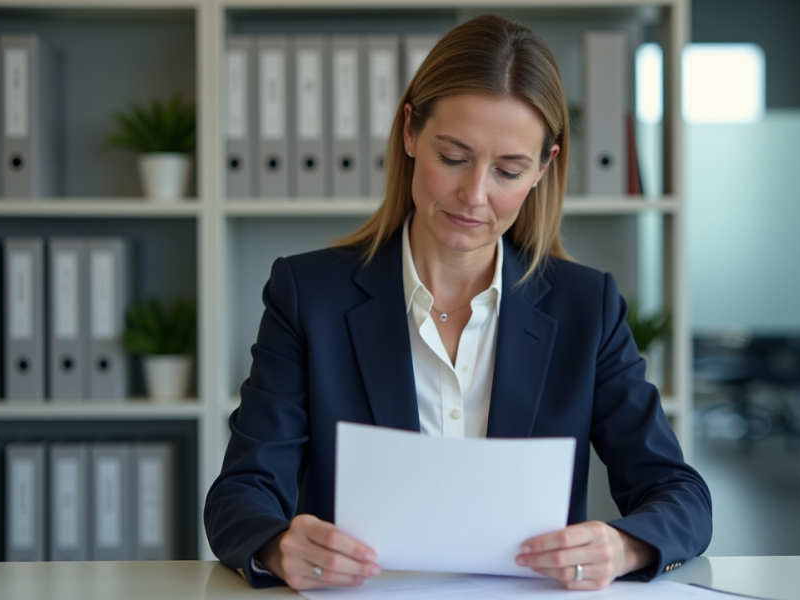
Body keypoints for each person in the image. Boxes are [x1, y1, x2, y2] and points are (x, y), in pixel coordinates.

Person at [204, 14, 712, 592]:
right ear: (410, 132)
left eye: (509, 170)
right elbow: (239, 495)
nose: (474, 196)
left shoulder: (585, 309)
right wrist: (278, 547)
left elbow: (681, 495)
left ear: (543, 168)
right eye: (453, 158)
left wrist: (622, 547)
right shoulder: (308, 296)